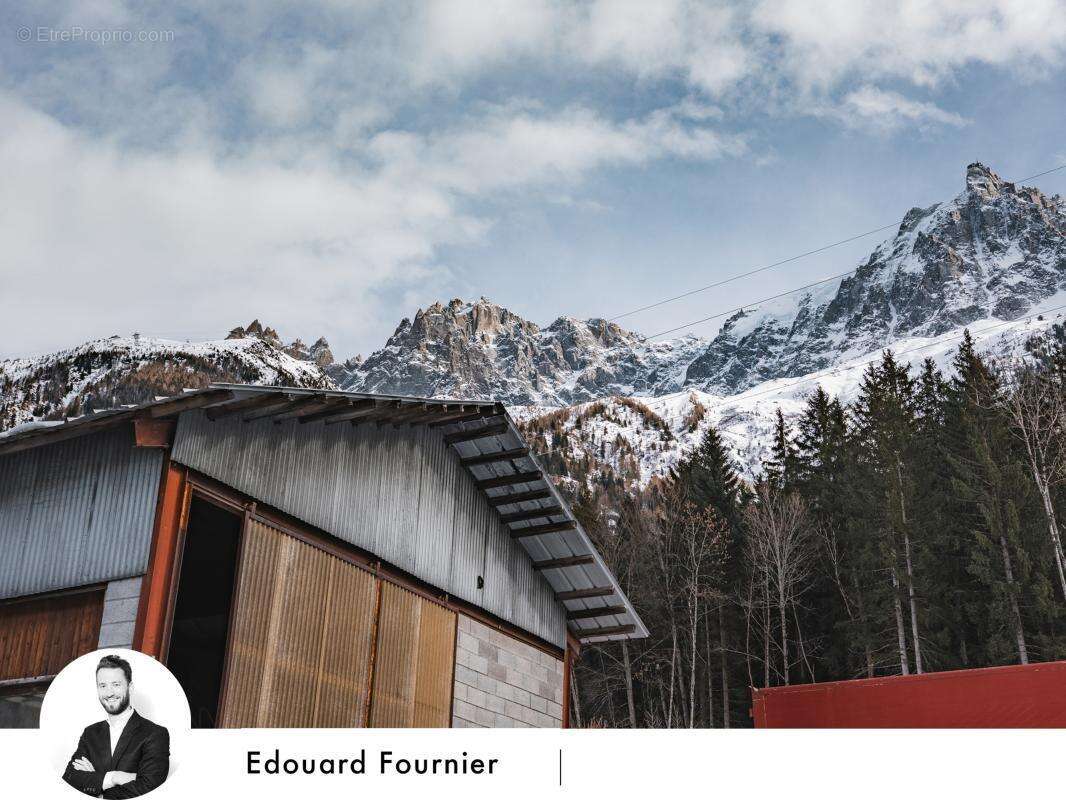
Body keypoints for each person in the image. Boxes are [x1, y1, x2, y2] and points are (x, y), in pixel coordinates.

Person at [62, 654, 170, 798]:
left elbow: (150, 785)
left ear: (130, 687)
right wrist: (113, 777)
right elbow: (69, 778)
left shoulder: (155, 733)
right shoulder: (90, 733)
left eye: (116, 684)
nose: (109, 693)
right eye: (103, 685)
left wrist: (98, 787)